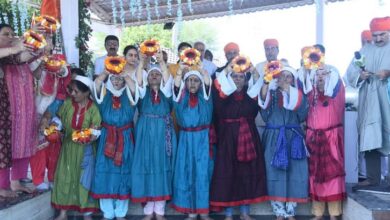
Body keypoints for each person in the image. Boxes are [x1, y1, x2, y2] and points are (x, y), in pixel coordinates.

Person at [210, 45, 267, 220]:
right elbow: (220, 84)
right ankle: (228, 213)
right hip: (228, 138)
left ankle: (244, 212)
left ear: (245, 79)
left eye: (241, 77)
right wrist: (229, 67)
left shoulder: (251, 95)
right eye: (234, 76)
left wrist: (255, 73)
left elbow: (260, 87)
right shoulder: (222, 94)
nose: (237, 79)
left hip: (248, 137)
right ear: (229, 77)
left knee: (246, 174)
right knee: (228, 174)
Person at [131, 50, 177, 220]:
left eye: (158, 74)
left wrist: (161, 63)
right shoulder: (142, 93)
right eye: (152, 75)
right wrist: (142, 62)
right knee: (146, 166)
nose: (155, 76)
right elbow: (138, 78)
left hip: (163, 132)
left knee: (162, 168)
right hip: (145, 133)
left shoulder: (168, 92)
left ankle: (160, 211)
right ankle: (148, 212)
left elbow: (167, 76)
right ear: (147, 79)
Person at [346, 17, 390, 191]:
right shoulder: (364, 50)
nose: (378, 39)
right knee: (371, 137)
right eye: (375, 35)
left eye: (382, 35)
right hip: (370, 100)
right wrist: (360, 76)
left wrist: (388, 73)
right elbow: (350, 73)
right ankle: (372, 178)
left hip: (387, 98)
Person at [259, 66, 309, 220]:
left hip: (293, 137)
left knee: (295, 171)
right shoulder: (271, 94)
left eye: (289, 77)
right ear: (277, 78)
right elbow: (265, 115)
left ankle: (291, 210)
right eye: (282, 76)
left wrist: (290, 94)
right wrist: (264, 92)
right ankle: (279, 211)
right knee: (274, 172)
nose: (285, 80)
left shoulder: (299, 95)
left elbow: (302, 115)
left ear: (293, 80)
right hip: (274, 137)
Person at [298, 64, 346, 220]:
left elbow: (335, 82)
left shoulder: (336, 91)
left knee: (333, 176)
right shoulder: (310, 93)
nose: (320, 76)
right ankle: (317, 213)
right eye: (317, 73)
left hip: (331, 138)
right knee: (315, 174)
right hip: (313, 138)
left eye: (324, 74)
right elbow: (300, 83)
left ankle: (334, 214)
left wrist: (330, 75)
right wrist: (306, 70)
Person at [51, 75, 101, 220]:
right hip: (68, 147)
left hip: (86, 150)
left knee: (84, 179)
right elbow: (58, 120)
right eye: (71, 90)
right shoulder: (67, 104)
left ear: (86, 93)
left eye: (76, 91)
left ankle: (87, 213)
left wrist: (90, 135)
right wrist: (55, 128)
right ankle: (63, 213)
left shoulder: (93, 108)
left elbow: (96, 128)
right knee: (64, 177)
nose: (72, 94)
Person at [0, 23, 42, 197]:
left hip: (16, 108)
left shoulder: (10, 55)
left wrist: (38, 43)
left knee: (21, 139)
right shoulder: (5, 53)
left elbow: (21, 58)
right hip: (7, 106)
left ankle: (15, 182)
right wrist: (15, 47)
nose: (10, 36)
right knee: (3, 146)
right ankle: (2, 187)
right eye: (5, 34)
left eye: (12, 33)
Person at [90, 67, 138, 220]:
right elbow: (96, 84)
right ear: (109, 80)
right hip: (107, 137)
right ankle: (108, 213)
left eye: (120, 79)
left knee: (124, 172)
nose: (117, 81)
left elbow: (133, 87)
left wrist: (125, 75)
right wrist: (106, 71)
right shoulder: (104, 93)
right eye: (114, 78)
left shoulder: (129, 94)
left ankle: (121, 213)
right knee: (104, 172)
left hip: (125, 137)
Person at [171, 66, 214, 219]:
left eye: (196, 80)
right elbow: (175, 86)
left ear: (200, 83)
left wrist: (201, 69)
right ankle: (191, 211)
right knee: (187, 173)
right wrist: (180, 70)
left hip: (202, 140)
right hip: (186, 140)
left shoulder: (206, 97)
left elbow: (208, 81)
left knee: (203, 174)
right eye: (189, 80)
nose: (193, 84)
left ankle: (204, 211)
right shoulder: (180, 98)